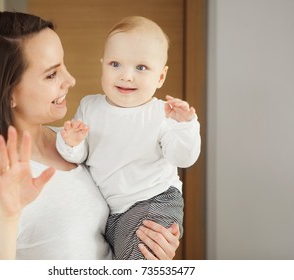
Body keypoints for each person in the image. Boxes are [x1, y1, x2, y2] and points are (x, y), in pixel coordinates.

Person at [0, 11, 181, 260]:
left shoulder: (75, 141)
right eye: (51, 74)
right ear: (8, 94)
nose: (70, 80)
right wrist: (7, 216)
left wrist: (150, 247)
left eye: (63, 65)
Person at [56, 16, 201, 259]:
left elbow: (184, 158)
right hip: (113, 212)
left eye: (141, 68)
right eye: (115, 64)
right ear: (102, 65)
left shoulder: (162, 113)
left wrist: (185, 126)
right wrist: (71, 142)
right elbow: (80, 156)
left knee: (138, 257)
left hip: (153, 200)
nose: (126, 76)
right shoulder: (90, 106)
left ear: (161, 78)